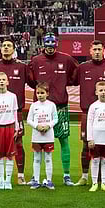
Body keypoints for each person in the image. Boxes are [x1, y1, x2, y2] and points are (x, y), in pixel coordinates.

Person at [28, 33, 78, 186]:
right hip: (41, 109)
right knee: (38, 145)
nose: (50, 49)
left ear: (57, 44)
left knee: (64, 140)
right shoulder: (36, 61)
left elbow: (75, 76)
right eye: (47, 46)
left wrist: (62, 86)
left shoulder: (67, 59)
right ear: (43, 45)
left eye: (53, 45)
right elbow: (31, 81)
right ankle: (35, 177)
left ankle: (66, 175)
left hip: (60, 107)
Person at [74, 40, 105, 187]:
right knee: (86, 145)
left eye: (99, 49)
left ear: (103, 51)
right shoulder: (82, 68)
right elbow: (70, 80)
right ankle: (84, 176)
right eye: (94, 49)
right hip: (87, 112)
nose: (96, 51)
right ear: (90, 51)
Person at [0, 39, 36, 185]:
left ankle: (20, 175)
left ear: (14, 49)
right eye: (3, 46)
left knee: (19, 143)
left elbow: (34, 83)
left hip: (16, 113)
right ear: (0, 49)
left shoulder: (21, 67)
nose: (6, 48)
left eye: (9, 46)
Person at [0, 72, 19, 190]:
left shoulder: (12, 96)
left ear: (7, 82)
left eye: (3, 80)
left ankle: (8, 181)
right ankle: (1, 181)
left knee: (10, 155)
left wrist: (16, 128)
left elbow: (15, 112)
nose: (1, 82)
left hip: (10, 127)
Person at [27, 82, 58, 190]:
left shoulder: (52, 105)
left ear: (47, 93)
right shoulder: (33, 106)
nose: (40, 95)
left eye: (42, 93)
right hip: (36, 136)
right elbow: (29, 120)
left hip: (48, 136)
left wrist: (48, 126)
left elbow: (55, 119)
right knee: (37, 158)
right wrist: (37, 126)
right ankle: (36, 180)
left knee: (48, 158)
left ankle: (49, 180)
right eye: (38, 93)